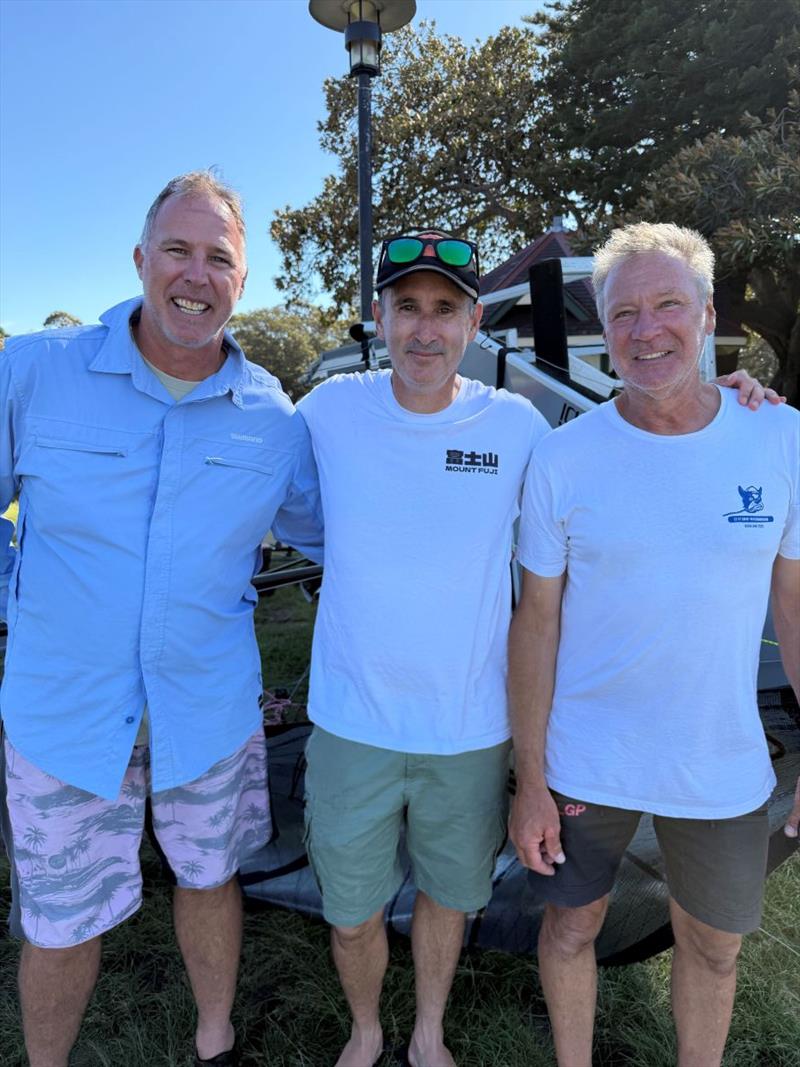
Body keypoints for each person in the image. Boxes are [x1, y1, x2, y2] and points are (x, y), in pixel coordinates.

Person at [296, 228, 775, 1067]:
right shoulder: (326, 410)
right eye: (406, 307)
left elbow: (640, 442)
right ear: (379, 316)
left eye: (444, 309)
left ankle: (429, 1032)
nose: (424, 329)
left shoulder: (518, 427)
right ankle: (365, 1029)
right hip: (351, 721)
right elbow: (270, 489)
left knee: (451, 894)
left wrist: (736, 393)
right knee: (351, 910)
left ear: (473, 322)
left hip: (470, 727)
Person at [0, 171, 323, 1067]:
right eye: (177, 250)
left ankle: (216, 1040)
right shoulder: (34, 372)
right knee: (60, 922)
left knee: (211, 879)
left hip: (206, 711)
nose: (195, 274)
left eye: (218, 257)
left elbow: (341, 529)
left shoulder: (273, 420)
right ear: (141, 258)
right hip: (63, 714)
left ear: (241, 280)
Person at [508, 222, 799, 1067]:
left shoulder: (779, 438)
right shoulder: (563, 458)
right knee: (571, 926)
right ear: (604, 329)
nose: (646, 330)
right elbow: (536, 623)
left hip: (719, 759)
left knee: (713, 945)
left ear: (708, 315)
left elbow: (795, 608)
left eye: (669, 304)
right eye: (623, 312)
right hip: (586, 755)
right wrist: (531, 778)